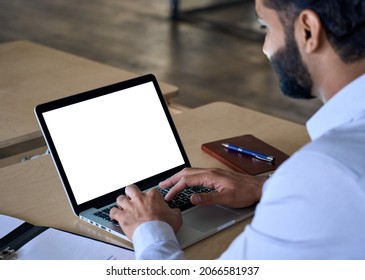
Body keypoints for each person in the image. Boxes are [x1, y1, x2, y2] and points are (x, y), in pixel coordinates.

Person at [110, 0, 365, 259]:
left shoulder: (325, 174)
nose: (266, 48)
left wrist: (149, 231)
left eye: (266, 26)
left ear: (308, 30)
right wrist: (264, 187)